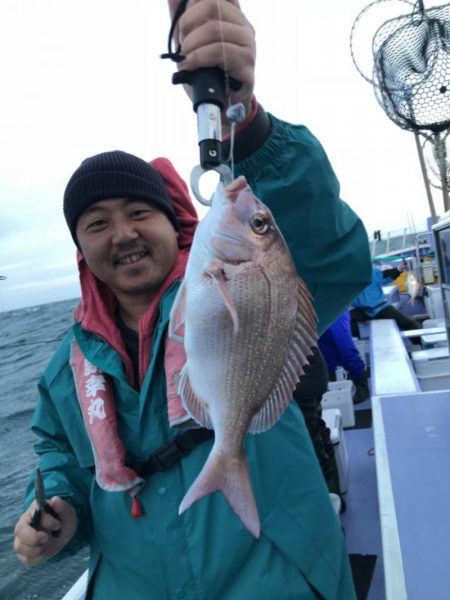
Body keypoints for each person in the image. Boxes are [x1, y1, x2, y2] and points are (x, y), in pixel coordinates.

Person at [13, 2, 372, 599]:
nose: (123, 234)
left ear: (175, 220)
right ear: (80, 247)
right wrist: (55, 513)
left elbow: (332, 254)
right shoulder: (63, 374)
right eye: (97, 223)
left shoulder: (247, 278)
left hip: (275, 576)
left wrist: (244, 122)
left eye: (138, 213)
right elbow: (56, 453)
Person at [350, 263, 421, 338]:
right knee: (344, 320)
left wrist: (399, 268)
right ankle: (358, 339)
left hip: (381, 308)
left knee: (410, 324)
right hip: (361, 311)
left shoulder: (372, 273)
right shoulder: (345, 280)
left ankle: (420, 343)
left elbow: (386, 275)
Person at [319, 310, 370, 404]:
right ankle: (334, 388)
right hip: (316, 313)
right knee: (326, 354)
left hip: (332, 309)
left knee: (344, 349)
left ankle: (362, 386)